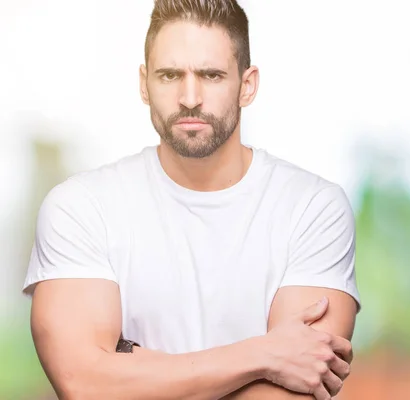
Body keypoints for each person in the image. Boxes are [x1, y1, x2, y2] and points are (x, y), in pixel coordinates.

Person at [22, 0, 360, 399]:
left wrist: (134, 368)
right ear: (144, 84)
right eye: (169, 75)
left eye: (211, 75)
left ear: (247, 85)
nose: (189, 97)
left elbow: (289, 391)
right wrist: (263, 355)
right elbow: (86, 385)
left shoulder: (313, 209)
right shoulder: (80, 208)